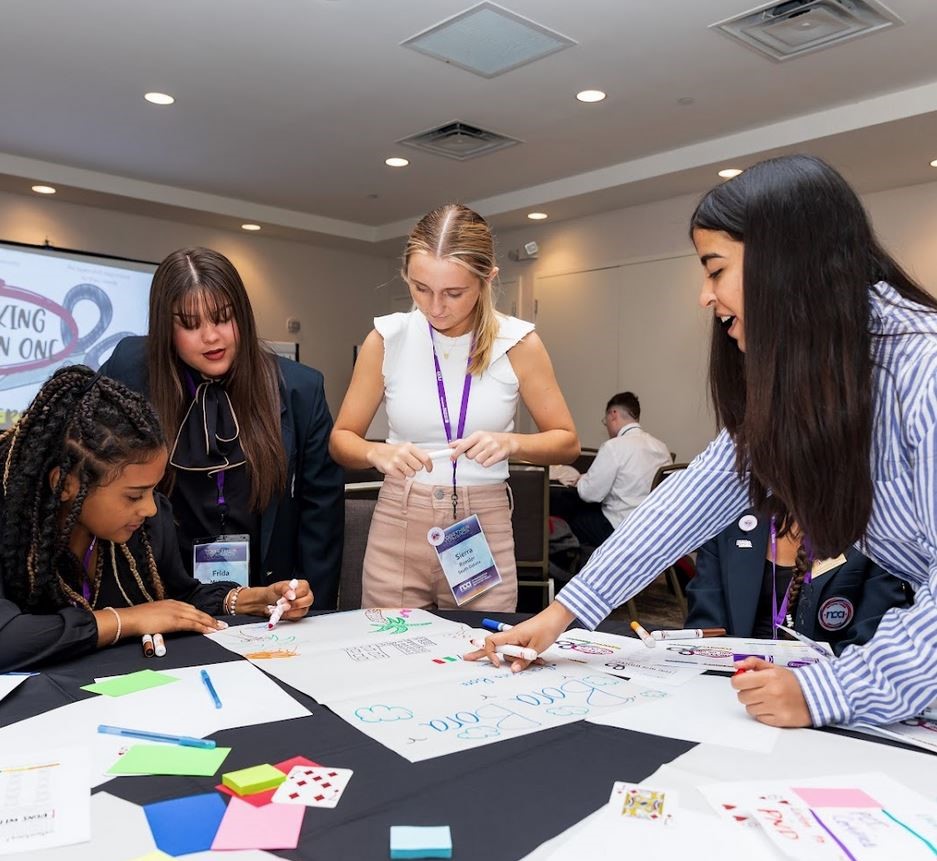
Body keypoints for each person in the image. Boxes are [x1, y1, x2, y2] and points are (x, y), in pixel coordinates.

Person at [469, 154, 937, 730]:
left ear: (786, 265)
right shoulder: (816, 371)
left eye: (715, 270)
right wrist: (563, 612)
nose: (704, 296)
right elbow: (689, 502)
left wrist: (833, 690)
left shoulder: (925, 372)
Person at [330, 203, 579, 611]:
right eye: (420, 288)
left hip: (481, 523)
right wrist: (377, 452)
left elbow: (567, 442)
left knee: (482, 652)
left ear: (487, 279)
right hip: (399, 517)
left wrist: (511, 444)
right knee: (389, 654)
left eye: (453, 292)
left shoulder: (518, 344)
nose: (434, 307)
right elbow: (341, 440)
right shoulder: (387, 339)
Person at [0, 365, 313, 673]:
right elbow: (8, 639)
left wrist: (251, 600)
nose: (151, 508)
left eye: (153, 489)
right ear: (66, 484)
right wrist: (128, 619)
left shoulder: (145, 527)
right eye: (135, 495)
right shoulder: (11, 525)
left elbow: (174, 599)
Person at [102, 247, 344, 608]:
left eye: (222, 318)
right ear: (165, 327)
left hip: (269, 599)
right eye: (190, 324)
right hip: (163, 598)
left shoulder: (300, 390)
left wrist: (315, 613)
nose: (211, 337)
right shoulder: (131, 372)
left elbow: (321, 517)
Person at [686, 508, 911, 655]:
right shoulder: (732, 524)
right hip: (734, 684)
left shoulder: (878, 535)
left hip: (827, 691)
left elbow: (873, 643)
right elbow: (704, 631)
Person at [550, 391, 671, 548]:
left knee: (571, 516)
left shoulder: (614, 447)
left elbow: (589, 493)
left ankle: (582, 568)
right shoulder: (661, 448)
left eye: (605, 420)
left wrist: (581, 480)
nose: (606, 425)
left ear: (613, 414)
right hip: (652, 530)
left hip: (620, 528)